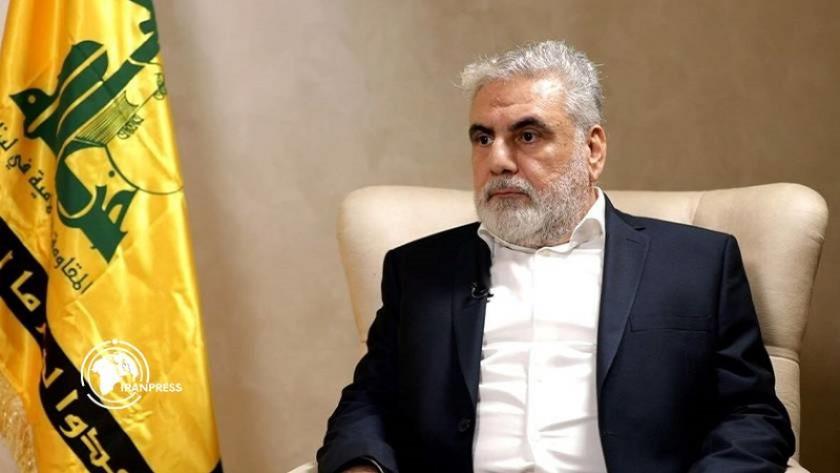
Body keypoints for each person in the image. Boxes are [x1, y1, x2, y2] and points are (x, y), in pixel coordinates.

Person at [317, 40, 794, 473]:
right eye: (483, 138)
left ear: (592, 149)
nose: (497, 161)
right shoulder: (418, 270)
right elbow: (370, 401)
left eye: (527, 136)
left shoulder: (695, 265)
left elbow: (752, 415)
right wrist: (361, 467)